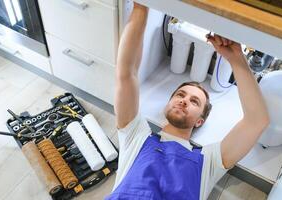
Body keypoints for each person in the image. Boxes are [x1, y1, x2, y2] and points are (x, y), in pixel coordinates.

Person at [105, 2, 270, 200]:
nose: (184, 101)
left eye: (194, 102)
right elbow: (126, 73)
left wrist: (237, 59)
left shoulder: (209, 161)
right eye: (180, 95)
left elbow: (257, 121)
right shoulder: (135, 135)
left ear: (200, 120)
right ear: (168, 104)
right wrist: (142, 7)